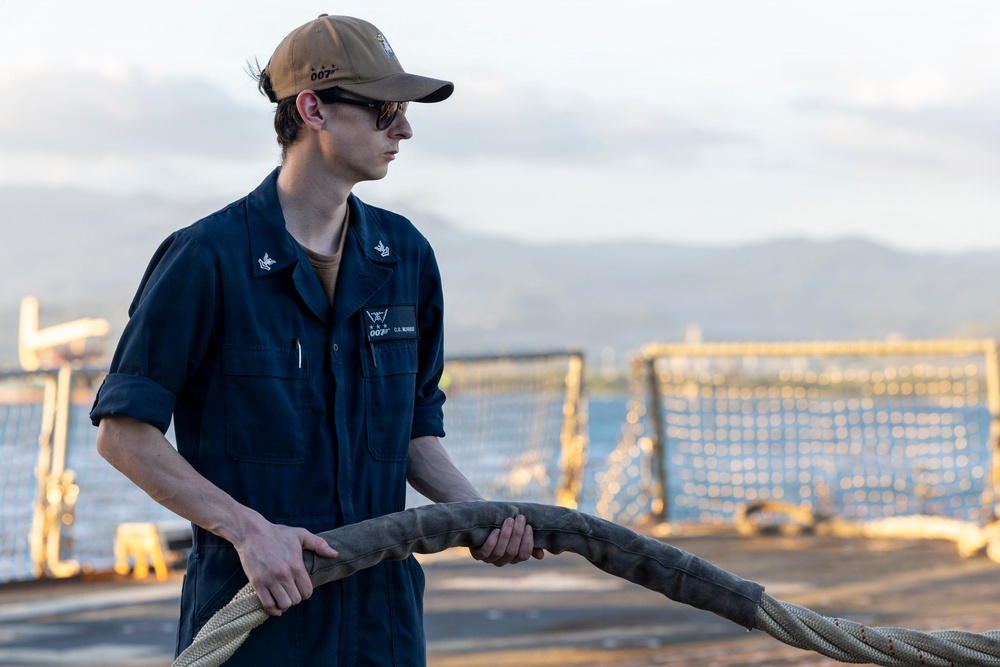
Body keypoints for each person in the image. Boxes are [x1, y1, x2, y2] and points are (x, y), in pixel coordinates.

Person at [91, 14, 543, 665]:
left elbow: (414, 430)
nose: (404, 129)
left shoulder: (406, 258)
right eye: (385, 108)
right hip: (259, 621)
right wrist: (248, 530)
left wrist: (481, 514)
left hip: (382, 625)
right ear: (312, 108)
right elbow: (122, 433)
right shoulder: (207, 259)